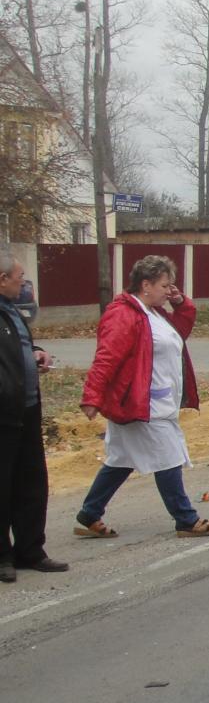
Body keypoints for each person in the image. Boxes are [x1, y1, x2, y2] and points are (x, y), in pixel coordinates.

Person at [76, 255, 209, 540]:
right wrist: (92, 396)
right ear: (145, 284)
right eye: (165, 285)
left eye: (171, 285)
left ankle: (89, 514)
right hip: (142, 403)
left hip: (154, 400)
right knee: (168, 457)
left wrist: (180, 303)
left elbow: (179, 333)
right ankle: (185, 519)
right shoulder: (124, 314)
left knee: (121, 459)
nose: (169, 290)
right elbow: (107, 357)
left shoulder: (153, 312)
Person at [0, 249, 68, 581]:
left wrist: (36, 352)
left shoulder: (11, 311)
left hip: (26, 409)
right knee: (3, 485)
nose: (23, 284)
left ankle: (30, 549)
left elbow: (19, 348)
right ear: (2, 280)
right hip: (3, 413)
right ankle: (2, 557)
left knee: (31, 483)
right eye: (19, 278)